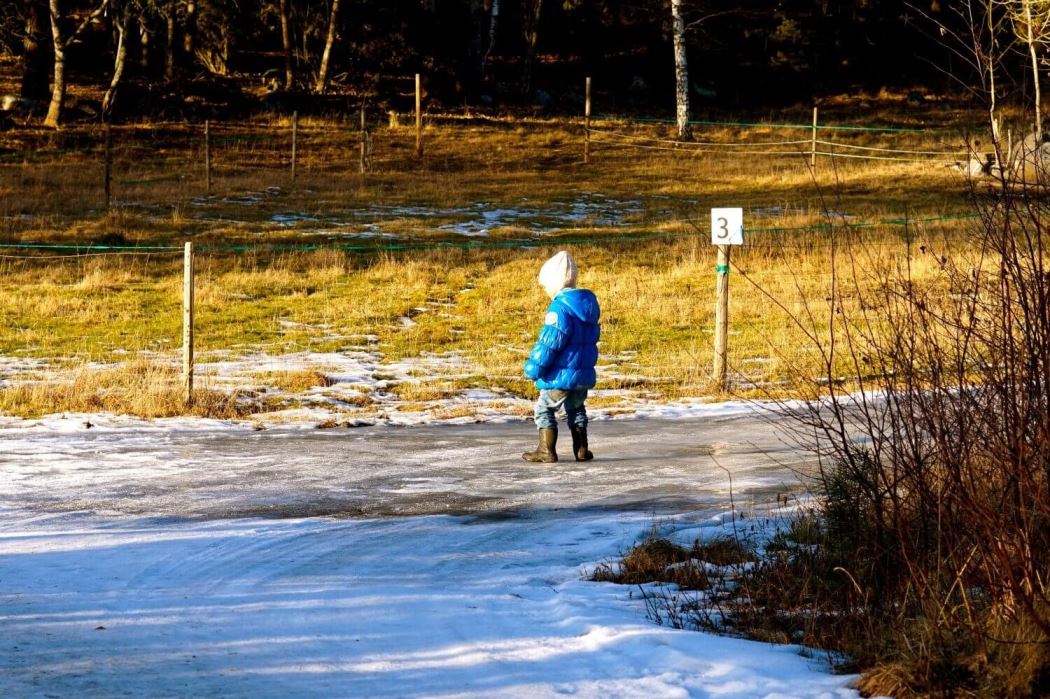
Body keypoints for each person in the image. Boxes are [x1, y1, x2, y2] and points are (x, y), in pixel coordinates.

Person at [522, 250, 601, 463]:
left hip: (560, 375)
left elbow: (549, 343)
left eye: (545, 285)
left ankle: (546, 450)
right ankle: (582, 449)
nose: (545, 290)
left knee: (544, 408)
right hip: (581, 374)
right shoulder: (588, 307)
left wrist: (533, 367)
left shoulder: (559, 309)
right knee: (576, 408)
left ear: (555, 283)